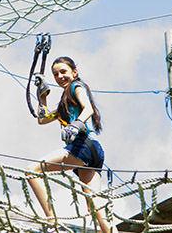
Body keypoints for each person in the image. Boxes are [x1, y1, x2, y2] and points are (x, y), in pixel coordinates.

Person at [27, 56, 114, 233]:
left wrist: (77, 124)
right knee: (94, 204)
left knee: (32, 170)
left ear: (74, 72)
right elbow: (42, 120)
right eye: (56, 74)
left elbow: (88, 108)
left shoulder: (77, 87)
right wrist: (42, 96)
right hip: (93, 151)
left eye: (63, 72)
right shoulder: (64, 104)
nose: (60, 76)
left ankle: (53, 222)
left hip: (82, 147)